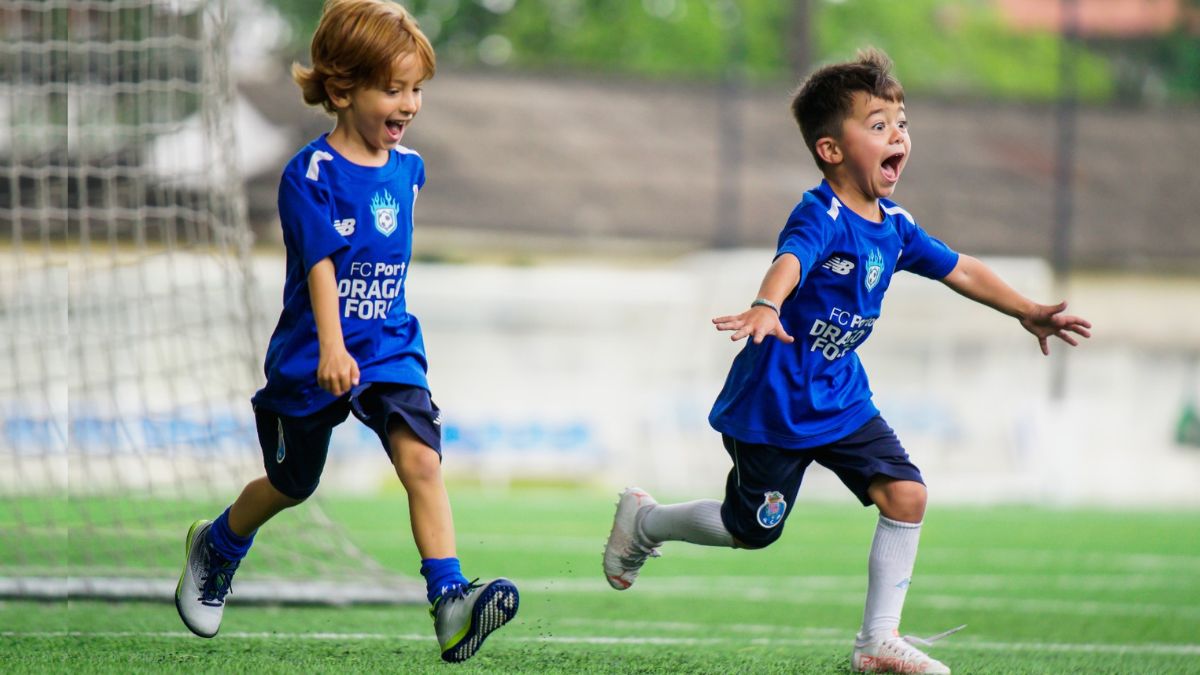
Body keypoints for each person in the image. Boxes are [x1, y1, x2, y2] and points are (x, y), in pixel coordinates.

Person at [603, 48, 1091, 674]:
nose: (899, 137)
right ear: (832, 150)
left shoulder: (895, 226)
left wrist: (1025, 309)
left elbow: (960, 268)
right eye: (879, 125)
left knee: (906, 495)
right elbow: (791, 259)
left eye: (903, 123)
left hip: (840, 400)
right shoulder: (820, 214)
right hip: (775, 406)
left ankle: (875, 643)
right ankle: (645, 522)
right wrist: (765, 304)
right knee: (750, 530)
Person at [175, 0, 518, 662]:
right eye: (393, 88)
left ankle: (449, 600)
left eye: (416, 87)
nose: (410, 102)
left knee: (421, 459)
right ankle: (217, 546)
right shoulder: (311, 175)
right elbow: (322, 268)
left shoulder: (409, 171)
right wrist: (332, 344)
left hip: (390, 350)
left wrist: (367, 341)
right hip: (314, 357)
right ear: (341, 89)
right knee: (291, 484)